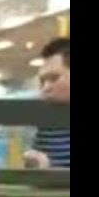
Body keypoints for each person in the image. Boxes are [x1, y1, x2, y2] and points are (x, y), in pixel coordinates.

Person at [25, 37, 70, 169]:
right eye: (42, 81)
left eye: (54, 78)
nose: (46, 88)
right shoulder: (42, 124)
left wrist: (49, 169)